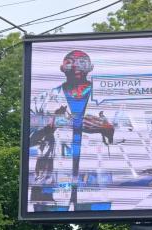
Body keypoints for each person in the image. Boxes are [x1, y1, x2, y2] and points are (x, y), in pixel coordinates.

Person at [30, 50, 114, 211]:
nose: (76, 66)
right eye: (70, 62)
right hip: (51, 183)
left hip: (95, 181)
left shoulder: (108, 99)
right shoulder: (43, 99)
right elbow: (26, 134)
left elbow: (130, 133)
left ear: (91, 67)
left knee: (99, 222)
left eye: (82, 62)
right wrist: (48, 124)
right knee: (46, 221)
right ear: (62, 67)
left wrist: (107, 128)